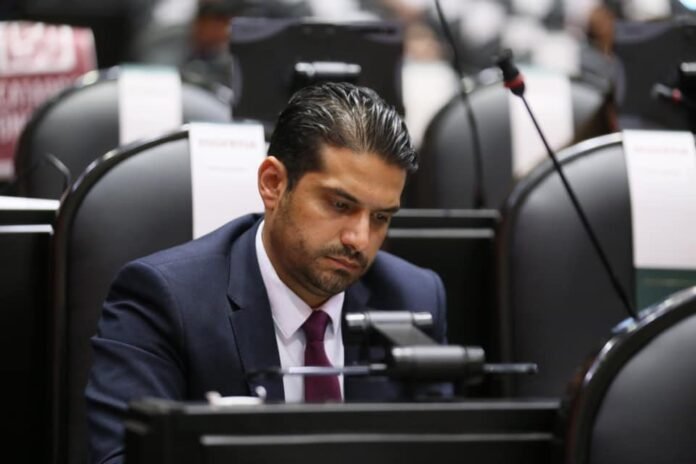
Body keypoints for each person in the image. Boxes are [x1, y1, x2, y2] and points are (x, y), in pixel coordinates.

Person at [86, 81, 451, 463]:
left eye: (380, 218)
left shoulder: (414, 298)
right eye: (340, 206)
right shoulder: (164, 301)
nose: (359, 239)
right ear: (273, 184)